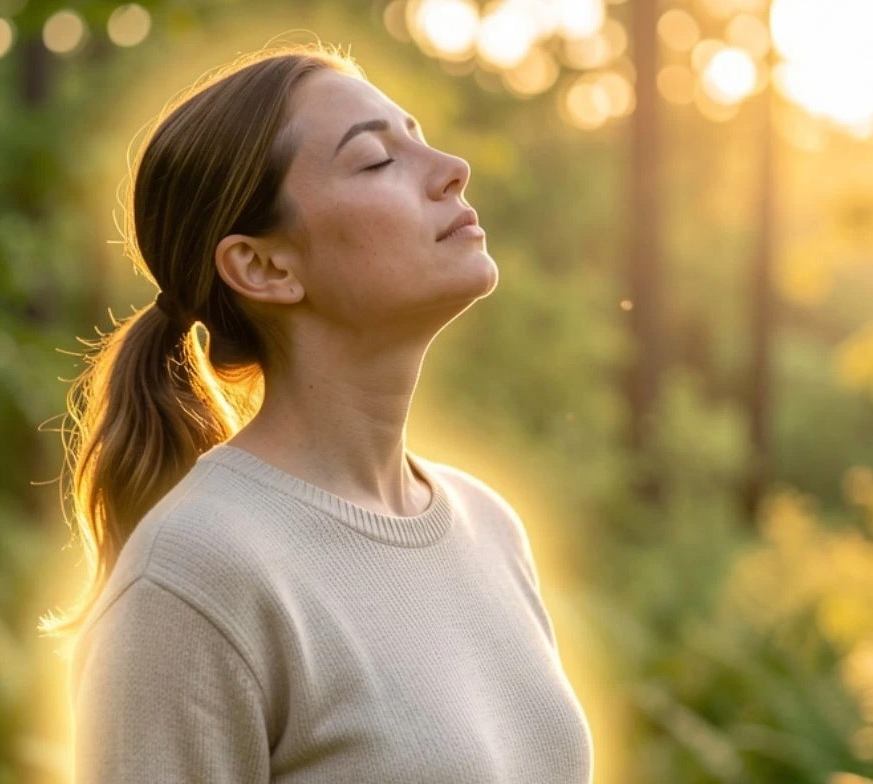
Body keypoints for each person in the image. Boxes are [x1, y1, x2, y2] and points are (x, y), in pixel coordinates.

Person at [42, 42, 594, 783]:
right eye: (376, 160)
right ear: (265, 267)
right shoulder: (192, 577)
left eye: (418, 135)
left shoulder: (488, 525)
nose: (451, 168)